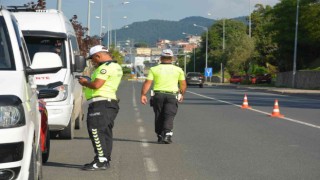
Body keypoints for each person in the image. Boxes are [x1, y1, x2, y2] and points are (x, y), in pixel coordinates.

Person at [78, 45, 123, 171]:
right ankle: (104, 159)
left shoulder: (105, 68)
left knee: (96, 131)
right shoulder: (115, 66)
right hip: (108, 103)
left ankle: (101, 160)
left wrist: (85, 82)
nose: (92, 62)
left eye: (93, 59)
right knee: (105, 133)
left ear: (98, 55)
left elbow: (97, 85)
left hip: (101, 103)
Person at [140, 49, 187, 144]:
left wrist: (143, 94)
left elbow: (148, 83)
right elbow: (183, 84)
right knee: (169, 115)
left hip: (158, 95)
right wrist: (181, 94)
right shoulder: (178, 70)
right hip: (172, 95)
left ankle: (160, 134)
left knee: (159, 115)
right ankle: (167, 134)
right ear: (172, 58)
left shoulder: (154, 69)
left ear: (161, 58)